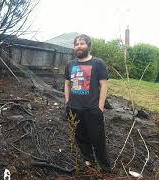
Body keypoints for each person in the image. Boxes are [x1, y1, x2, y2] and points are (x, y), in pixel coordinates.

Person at [64, 34, 111, 173]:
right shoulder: (70, 64)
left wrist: (100, 107)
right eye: (76, 44)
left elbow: (104, 85)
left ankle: (105, 167)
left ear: (88, 46)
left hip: (92, 109)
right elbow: (67, 84)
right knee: (80, 136)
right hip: (74, 108)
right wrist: (67, 102)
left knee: (98, 139)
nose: (79, 46)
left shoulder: (98, 63)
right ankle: (88, 159)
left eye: (82, 43)